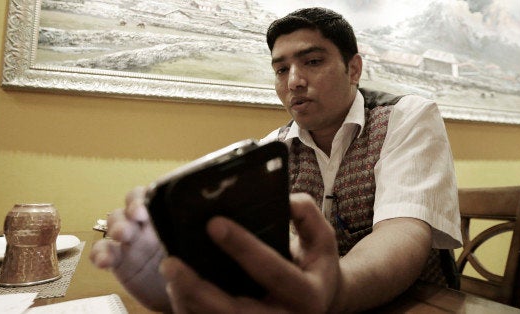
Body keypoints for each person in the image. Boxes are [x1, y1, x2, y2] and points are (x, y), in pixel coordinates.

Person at [90, 7, 462, 313]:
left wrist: (329, 290)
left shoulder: (407, 116)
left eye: (312, 61)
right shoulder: (273, 148)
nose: (294, 81)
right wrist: (179, 276)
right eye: (281, 69)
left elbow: (403, 232)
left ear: (353, 69)